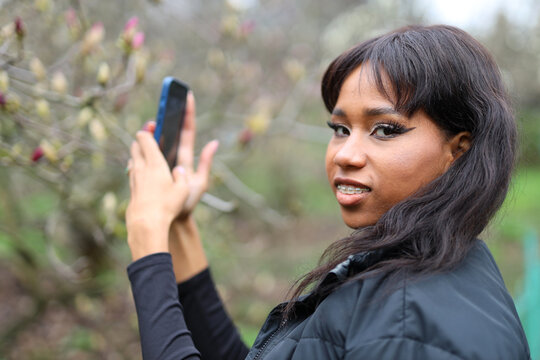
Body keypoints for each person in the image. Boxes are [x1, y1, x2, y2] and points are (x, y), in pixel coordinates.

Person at [125, 25, 531, 359]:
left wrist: (148, 242)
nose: (346, 155)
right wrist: (177, 226)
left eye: (384, 129)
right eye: (340, 129)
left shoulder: (407, 328)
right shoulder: (416, 268)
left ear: (457, 150)